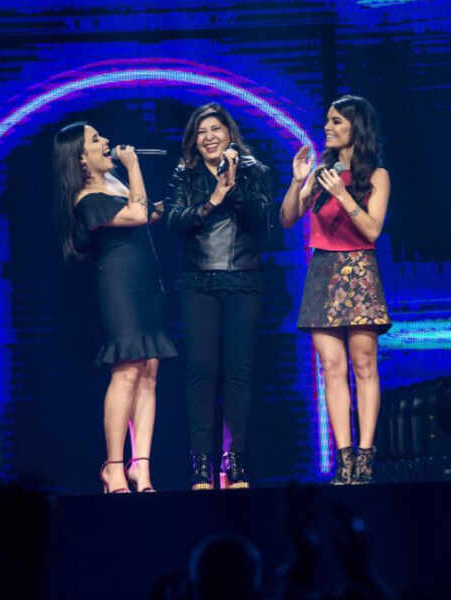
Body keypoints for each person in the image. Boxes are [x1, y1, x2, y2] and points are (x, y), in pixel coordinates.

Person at [53, 121, 177, 494]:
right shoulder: (86, 198)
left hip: (146, 285)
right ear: (81, 158)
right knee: (126, 371)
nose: (106, 141)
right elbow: (136, 214)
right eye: (96, 139)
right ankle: (114, 468)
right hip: (119, 289)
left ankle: (142, 467)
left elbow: (145, 213)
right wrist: (134, 165)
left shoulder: (112, 185)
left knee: (149, 371)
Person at [279, 95, 392, 485]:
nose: (327, 127)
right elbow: (287, 218)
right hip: (323, 271)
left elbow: (372, 230)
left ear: (356, 128)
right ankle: (343, 458)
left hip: (358, 271)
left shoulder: (377, 175)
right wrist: (298, 181)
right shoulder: (321, 173)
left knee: (364, 364)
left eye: (337, 121)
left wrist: (343, 196)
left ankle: (365, 455)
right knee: (331, 367)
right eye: (327, 120)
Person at [166, 103, 273, 490]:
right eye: (201, 131)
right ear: (194, 140)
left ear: (229, 134)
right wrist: (214, 197)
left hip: (243, 279)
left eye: (215, 129)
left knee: (239, 371)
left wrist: (234, 184)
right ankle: (201, 464)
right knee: (202, 370)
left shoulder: (255, 171)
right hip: (198, 281)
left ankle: (235, 460)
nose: (209, 137)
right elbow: (174, 221)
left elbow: (261, 219)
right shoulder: (185, 173)